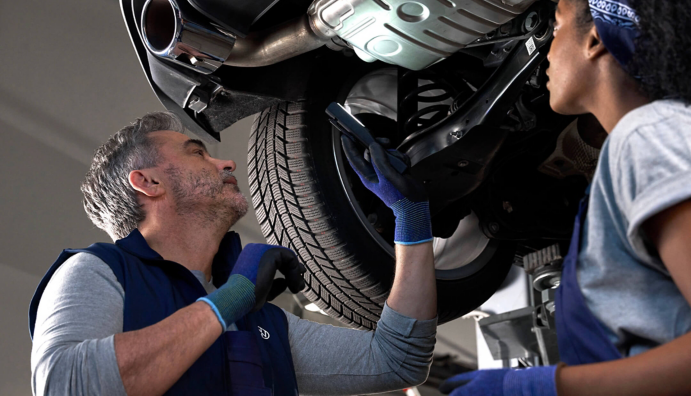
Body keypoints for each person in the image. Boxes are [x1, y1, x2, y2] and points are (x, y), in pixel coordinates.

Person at [440, 0, 691, 395]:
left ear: (594, 40)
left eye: (556, 28)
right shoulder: (669, 138)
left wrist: (544, 387)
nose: (547, 53)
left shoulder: (658, 134)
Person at [29, 111, 438, 396]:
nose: (226, 162)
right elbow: (65, 385)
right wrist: (230, 299)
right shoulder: (98, 271)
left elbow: (397, 360)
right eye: (197, 152)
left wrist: (411, 219)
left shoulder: (252, 314)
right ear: (149, 182)